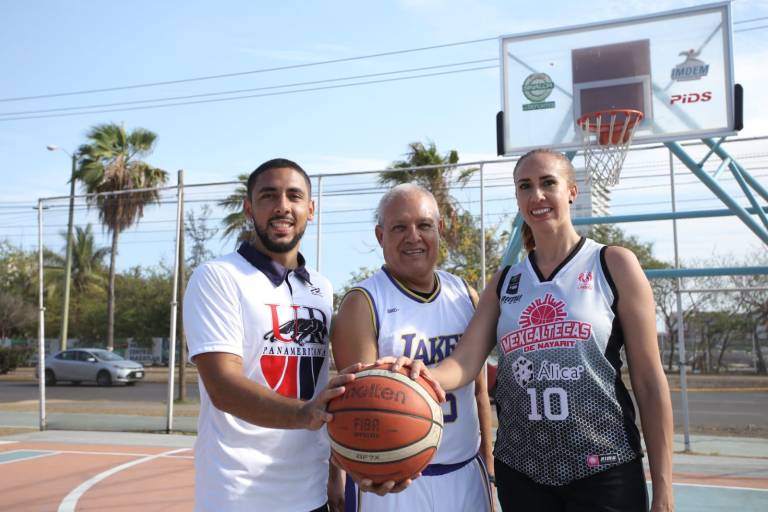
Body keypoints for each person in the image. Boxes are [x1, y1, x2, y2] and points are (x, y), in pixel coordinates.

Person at [382, 149, 674, 512]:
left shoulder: (612, 264)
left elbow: (649, 380)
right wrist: (419, 374)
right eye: (525, 186)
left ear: (571, 190)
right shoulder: (506, 281)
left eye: (547, 183)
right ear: (518, 198)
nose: (536, 195)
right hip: (522, 473)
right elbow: (464, 363)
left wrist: (663, 488)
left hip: (605, 465)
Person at [183, 158, 359, 512]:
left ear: (310, 209)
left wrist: (332, 472)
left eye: (294, 196)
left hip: (311, 493)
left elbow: (319, 384)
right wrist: (304, 414)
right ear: (249, 208)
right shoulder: (217, 277)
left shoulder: (321, 288)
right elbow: (223, 387)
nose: (282, 206)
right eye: (268, 196)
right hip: (239, 495)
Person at [331, 183, 495, 512]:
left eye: (423, 225)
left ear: (440, 230)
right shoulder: (363, 303)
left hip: (464, 471)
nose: (413, 237)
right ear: (380, 236)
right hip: (393, 483)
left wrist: (488, 470)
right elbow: (356, 408)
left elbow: (478, 391)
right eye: (399, 227)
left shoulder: (464, 294)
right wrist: (361, 471)